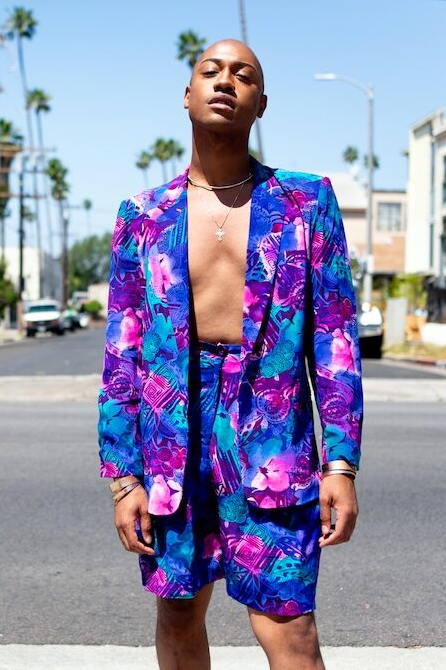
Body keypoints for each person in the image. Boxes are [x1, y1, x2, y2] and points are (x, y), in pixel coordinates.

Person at [97, 39, 364, 669]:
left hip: (273, 434)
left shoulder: (305, 202)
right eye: (210, 71)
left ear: (260, 103)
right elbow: (122, 353)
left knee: (290, 625)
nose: (225, 81)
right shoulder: (144, 214)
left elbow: (335, 341)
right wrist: (123, 478)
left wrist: (341, 465)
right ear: (187, 95)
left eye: (242, 75)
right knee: (178, 611)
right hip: (172, 433)